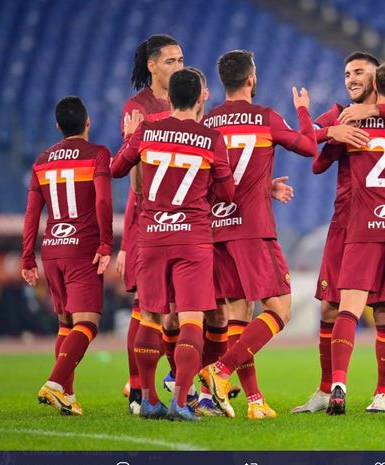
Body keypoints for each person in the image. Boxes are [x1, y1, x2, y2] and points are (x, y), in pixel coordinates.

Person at [293, 51, 385, 414]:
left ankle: (380, 392)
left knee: (384, 310)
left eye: (359, 72)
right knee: (329, 306)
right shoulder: (341, 113)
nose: (351, 79)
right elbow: (310, 149)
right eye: (346, 73)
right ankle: (327, 390)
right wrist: (332, 132)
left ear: (376, 80)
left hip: (371, 223)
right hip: (346, 224)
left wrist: (373, 113)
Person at [198, 49, 317, 419]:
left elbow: (212, 180)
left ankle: (254, 401)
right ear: (251, 79)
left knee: (238, 314)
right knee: (279, 310)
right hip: (253, 230)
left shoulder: (208, 123)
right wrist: (302, 110)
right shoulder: (265, 117)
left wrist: (265, 188)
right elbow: (309, 146)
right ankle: (219, 371)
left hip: (217, 229)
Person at [111, 67, 234, 420]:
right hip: (192, 238)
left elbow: (117, 169)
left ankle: (149, 399)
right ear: (199, 98)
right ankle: (181, 400)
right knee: (191, 318)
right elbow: (226, 192)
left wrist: (132, 137)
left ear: (168, 98)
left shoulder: (147, 130)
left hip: (151, 236)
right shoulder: (211, 138)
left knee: (150, 316)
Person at [21, 96, 113, 415]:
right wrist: (105, 244)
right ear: (87, 122)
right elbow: (102, 202)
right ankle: (55, 383)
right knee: (88, 323)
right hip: (82, 247)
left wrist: (27, 258)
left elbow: (33, 213)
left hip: (52, 248)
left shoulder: (42, 160)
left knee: (66, 323)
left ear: (58, 126)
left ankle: (68, 397)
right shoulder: (98, 154)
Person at [119, 34, 184, 414]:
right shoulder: (138, 108)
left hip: (183, 218)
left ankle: (177, 379)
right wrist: (129, 242)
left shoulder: (185, 102)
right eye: (171, 61)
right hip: (148, 219)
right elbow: (135, 179)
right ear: (152, 66)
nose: (178, 66)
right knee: (147, 309)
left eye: (181, 60)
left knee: (178, 310)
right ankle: (138, 388)